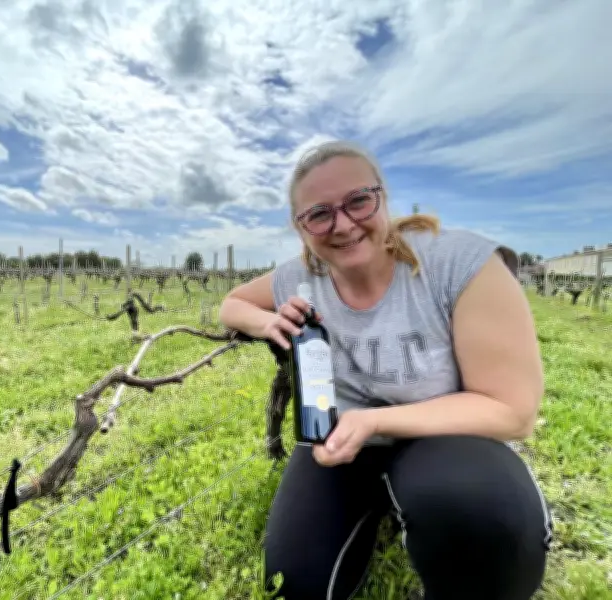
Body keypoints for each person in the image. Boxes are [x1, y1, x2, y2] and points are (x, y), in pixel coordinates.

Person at [217, 140, 553, 600]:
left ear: (382, 197)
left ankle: (453, 503)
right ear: (301, 228)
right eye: (319, 214)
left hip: (442, 439)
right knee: (293, 585)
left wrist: (373, 420)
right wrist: (269, 320)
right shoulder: (301, 275)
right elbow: (231, 303)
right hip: (340, 445)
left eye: (358, 200)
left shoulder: (459, 264)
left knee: (484, 519)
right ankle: (377, 504)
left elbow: (513, 411)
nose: (343, 224)